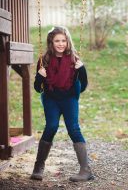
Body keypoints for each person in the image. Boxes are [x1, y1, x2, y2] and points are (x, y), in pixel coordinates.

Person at [30, 26, 93, 182]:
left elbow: (83, 86)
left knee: (73, 128)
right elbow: (38, 89)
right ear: (51, 42)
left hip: (69, 98)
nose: (60, 44)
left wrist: (82, 70)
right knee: (51, 126)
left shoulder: (74, 59)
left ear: (68, 41)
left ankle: (85, 170)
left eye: (63, 40)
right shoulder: (44, 60)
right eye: (57, 40)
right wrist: (39, 76)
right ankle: (39, 166)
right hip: (51, 98)